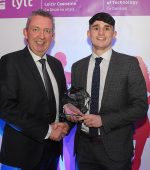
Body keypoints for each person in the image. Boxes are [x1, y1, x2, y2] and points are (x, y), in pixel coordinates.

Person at [64, 12, 148, 170]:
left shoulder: (129, 64)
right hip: (84, 150)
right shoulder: (78, 67)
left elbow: (140, 107)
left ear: (114, 34)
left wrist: (103, 120)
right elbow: (76, 103)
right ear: (89, 34)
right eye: (96, 28)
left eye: (106, 28)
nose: (101, 33)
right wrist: (69, 113)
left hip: (116, 150)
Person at [0, 9, 69, 170]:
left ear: (53, 36)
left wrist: (65, 124)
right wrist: (47, 130)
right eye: (36, 29)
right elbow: (5, 107)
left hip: (52, 155)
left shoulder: (56, 65)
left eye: (47, 31)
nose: (41, 36)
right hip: (21, 158)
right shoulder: (10, 62)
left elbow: (63, 102)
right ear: (26, 32)